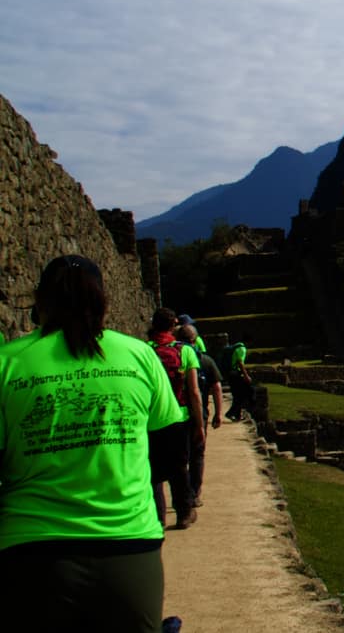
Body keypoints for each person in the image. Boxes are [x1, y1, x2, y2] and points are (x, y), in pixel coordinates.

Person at [0, 255, 184, 631]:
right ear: (104, 301)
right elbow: (170, 452)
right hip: (128, 543)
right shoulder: (138, 356)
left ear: (39, 301)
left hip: (33, 552)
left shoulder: (8, 363)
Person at [148, 308, 204, 529]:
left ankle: (158, 517)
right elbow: (194, 392)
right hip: (178, 417)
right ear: (173, 326)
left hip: (149, 419)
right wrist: (200, 424)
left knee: (152, 472)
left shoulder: (145, 350)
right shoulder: (185, 351)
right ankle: (183, 513)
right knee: (179, 468)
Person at [176, 323, 222, 505]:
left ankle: (182, 496)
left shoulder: (171, 358)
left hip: (176, 414)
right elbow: (216, 388)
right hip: (198, 413)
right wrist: (218, 414)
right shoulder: (205, 361)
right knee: (197, 454)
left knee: (180, 456)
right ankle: (194, 493)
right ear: (195, 340)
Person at [223, 334, 253, 421]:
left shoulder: (235, 346)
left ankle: (237, 415)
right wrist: (246, 375)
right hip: (235, 374)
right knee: (241, 395)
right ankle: (231, 413)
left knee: (237, 395)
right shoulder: (242, 349)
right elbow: (240, 362)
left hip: (230, 373)